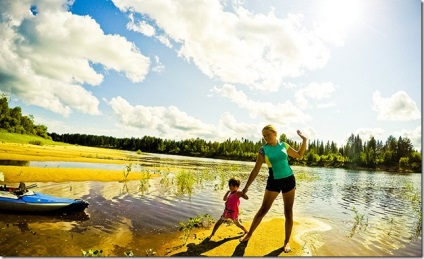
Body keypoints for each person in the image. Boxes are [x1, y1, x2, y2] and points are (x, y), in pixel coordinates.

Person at [239, 125, 307, 253]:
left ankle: (286, 241)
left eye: (268, 135)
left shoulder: (284, 145)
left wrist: (304, 141)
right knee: (263, 210)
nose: (266, 138)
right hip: (273, 182)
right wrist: (246, 187)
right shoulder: (263, 150)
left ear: (275, 133)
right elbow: (256, 169)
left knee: (288, 212)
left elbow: (299, 155)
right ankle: (249, 234)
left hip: (289, 180)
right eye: (264, 136)